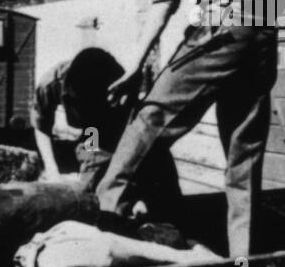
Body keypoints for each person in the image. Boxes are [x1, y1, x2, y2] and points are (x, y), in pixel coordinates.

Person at [97, 0, 284, 257]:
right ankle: (243, 261)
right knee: (242, 159)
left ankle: (108, 212)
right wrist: (257, 38)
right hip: (261, 42)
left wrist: (136, 65)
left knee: (151, 117)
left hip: (222, 31)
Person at [31, 47, 180, 212]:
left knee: (158, 190)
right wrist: (52, 171)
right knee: (90, 191)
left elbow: (139, 135)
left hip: (114, 124)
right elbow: (41, 125)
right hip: (92, 131)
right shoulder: (51, 82)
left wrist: (144, 194)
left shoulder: (121, 81)